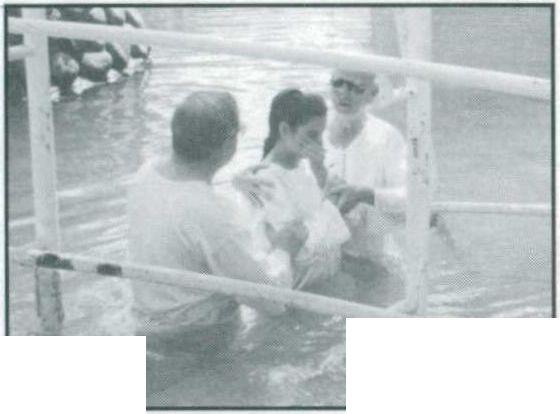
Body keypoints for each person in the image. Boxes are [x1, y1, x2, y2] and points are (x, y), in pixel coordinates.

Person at [127, 91, 286, 356]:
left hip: (147, 324)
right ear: (229, 145)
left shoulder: (146, 174)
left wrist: (235, 186)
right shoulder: (213, 213)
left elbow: (187, 210)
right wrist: (285, 250)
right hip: (200, 340)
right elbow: (271, 301)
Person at [241, 89, 350, 290]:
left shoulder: (300, 169)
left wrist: (319, 171)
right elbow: (299, 248)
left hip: (321, 280)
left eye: (321, 135)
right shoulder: (265, 181)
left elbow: (322, 232)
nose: (319, 144)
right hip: (299, 288)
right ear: (285, 130)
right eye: (312, 135)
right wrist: (330, 209)